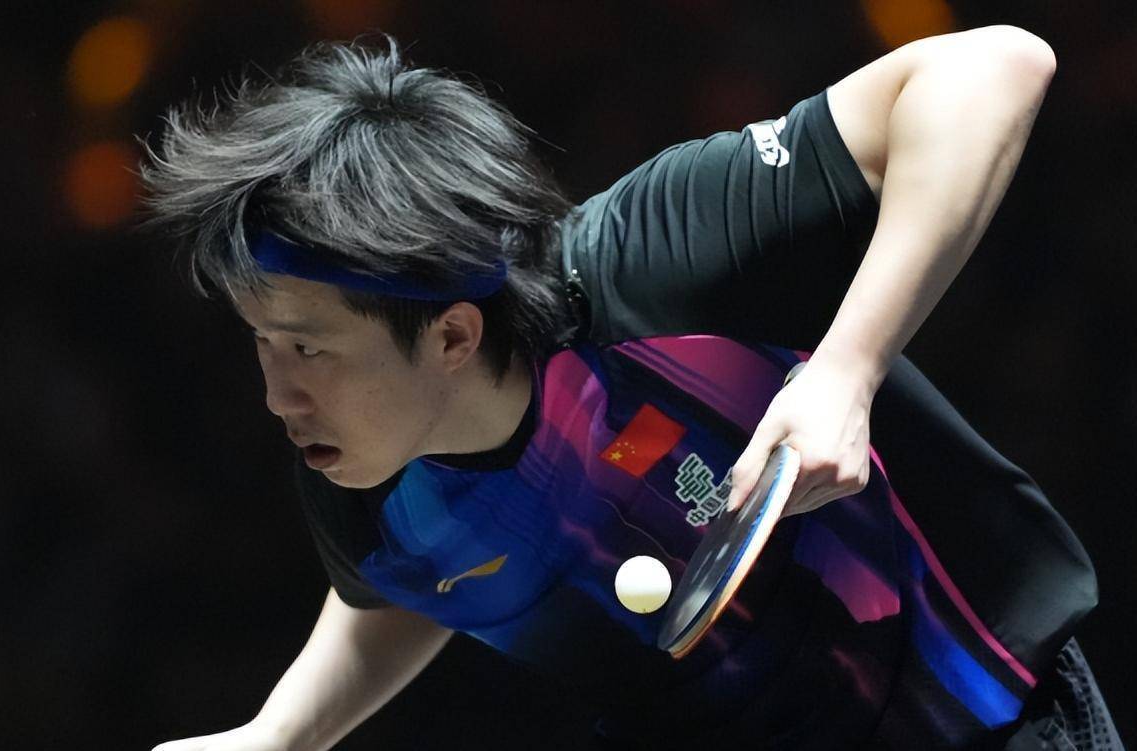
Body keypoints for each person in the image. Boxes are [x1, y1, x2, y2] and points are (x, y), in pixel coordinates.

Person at [143, 28, 1121, 750]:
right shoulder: (361, 475)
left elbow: (993, 67)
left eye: (307, 347)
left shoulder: (650, 259)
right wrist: (281, 733)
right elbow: (403, 579)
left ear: (451, 334)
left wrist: (845, 368)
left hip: (979, 710)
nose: (277, 394)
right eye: (261, 341)